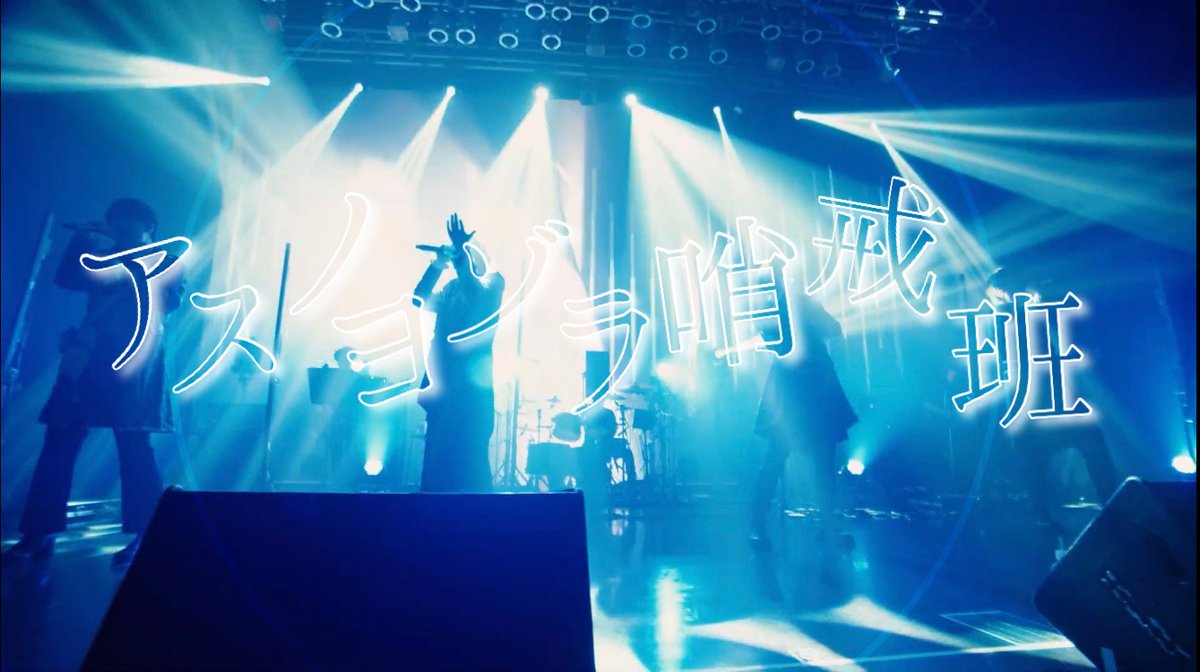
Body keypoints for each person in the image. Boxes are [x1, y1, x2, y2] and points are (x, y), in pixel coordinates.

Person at [4, 199, 185, 569]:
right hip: (88, 359)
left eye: (126, 224)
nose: (118, 229)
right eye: (115, 223)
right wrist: (83, 240)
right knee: (60, 441)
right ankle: (39, 533)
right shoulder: (102, 256)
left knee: (134, 448)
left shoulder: (165, 259)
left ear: (147, 226)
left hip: (134, 364)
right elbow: (67, 279)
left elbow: (168, 300)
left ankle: (145, 536)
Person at [751, 296, 858, 546]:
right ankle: (822, 525)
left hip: (800, 385)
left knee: (785, 457)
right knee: (812, 459)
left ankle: (760, 523)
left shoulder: (783, 303)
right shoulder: (796, 303)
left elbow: (832, 329)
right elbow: (834, 329)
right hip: (807, 384)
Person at [412, 214, 505, 492]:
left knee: (469, 459)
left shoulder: (494, 283)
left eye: (468, 253)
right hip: (442, 381)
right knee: (436, 456)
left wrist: (460, 253)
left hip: (469, 388)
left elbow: (475, 295)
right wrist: (437, 264)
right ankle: (432, 510)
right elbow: (419, 299)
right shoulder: (451, 288)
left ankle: (475, 513)